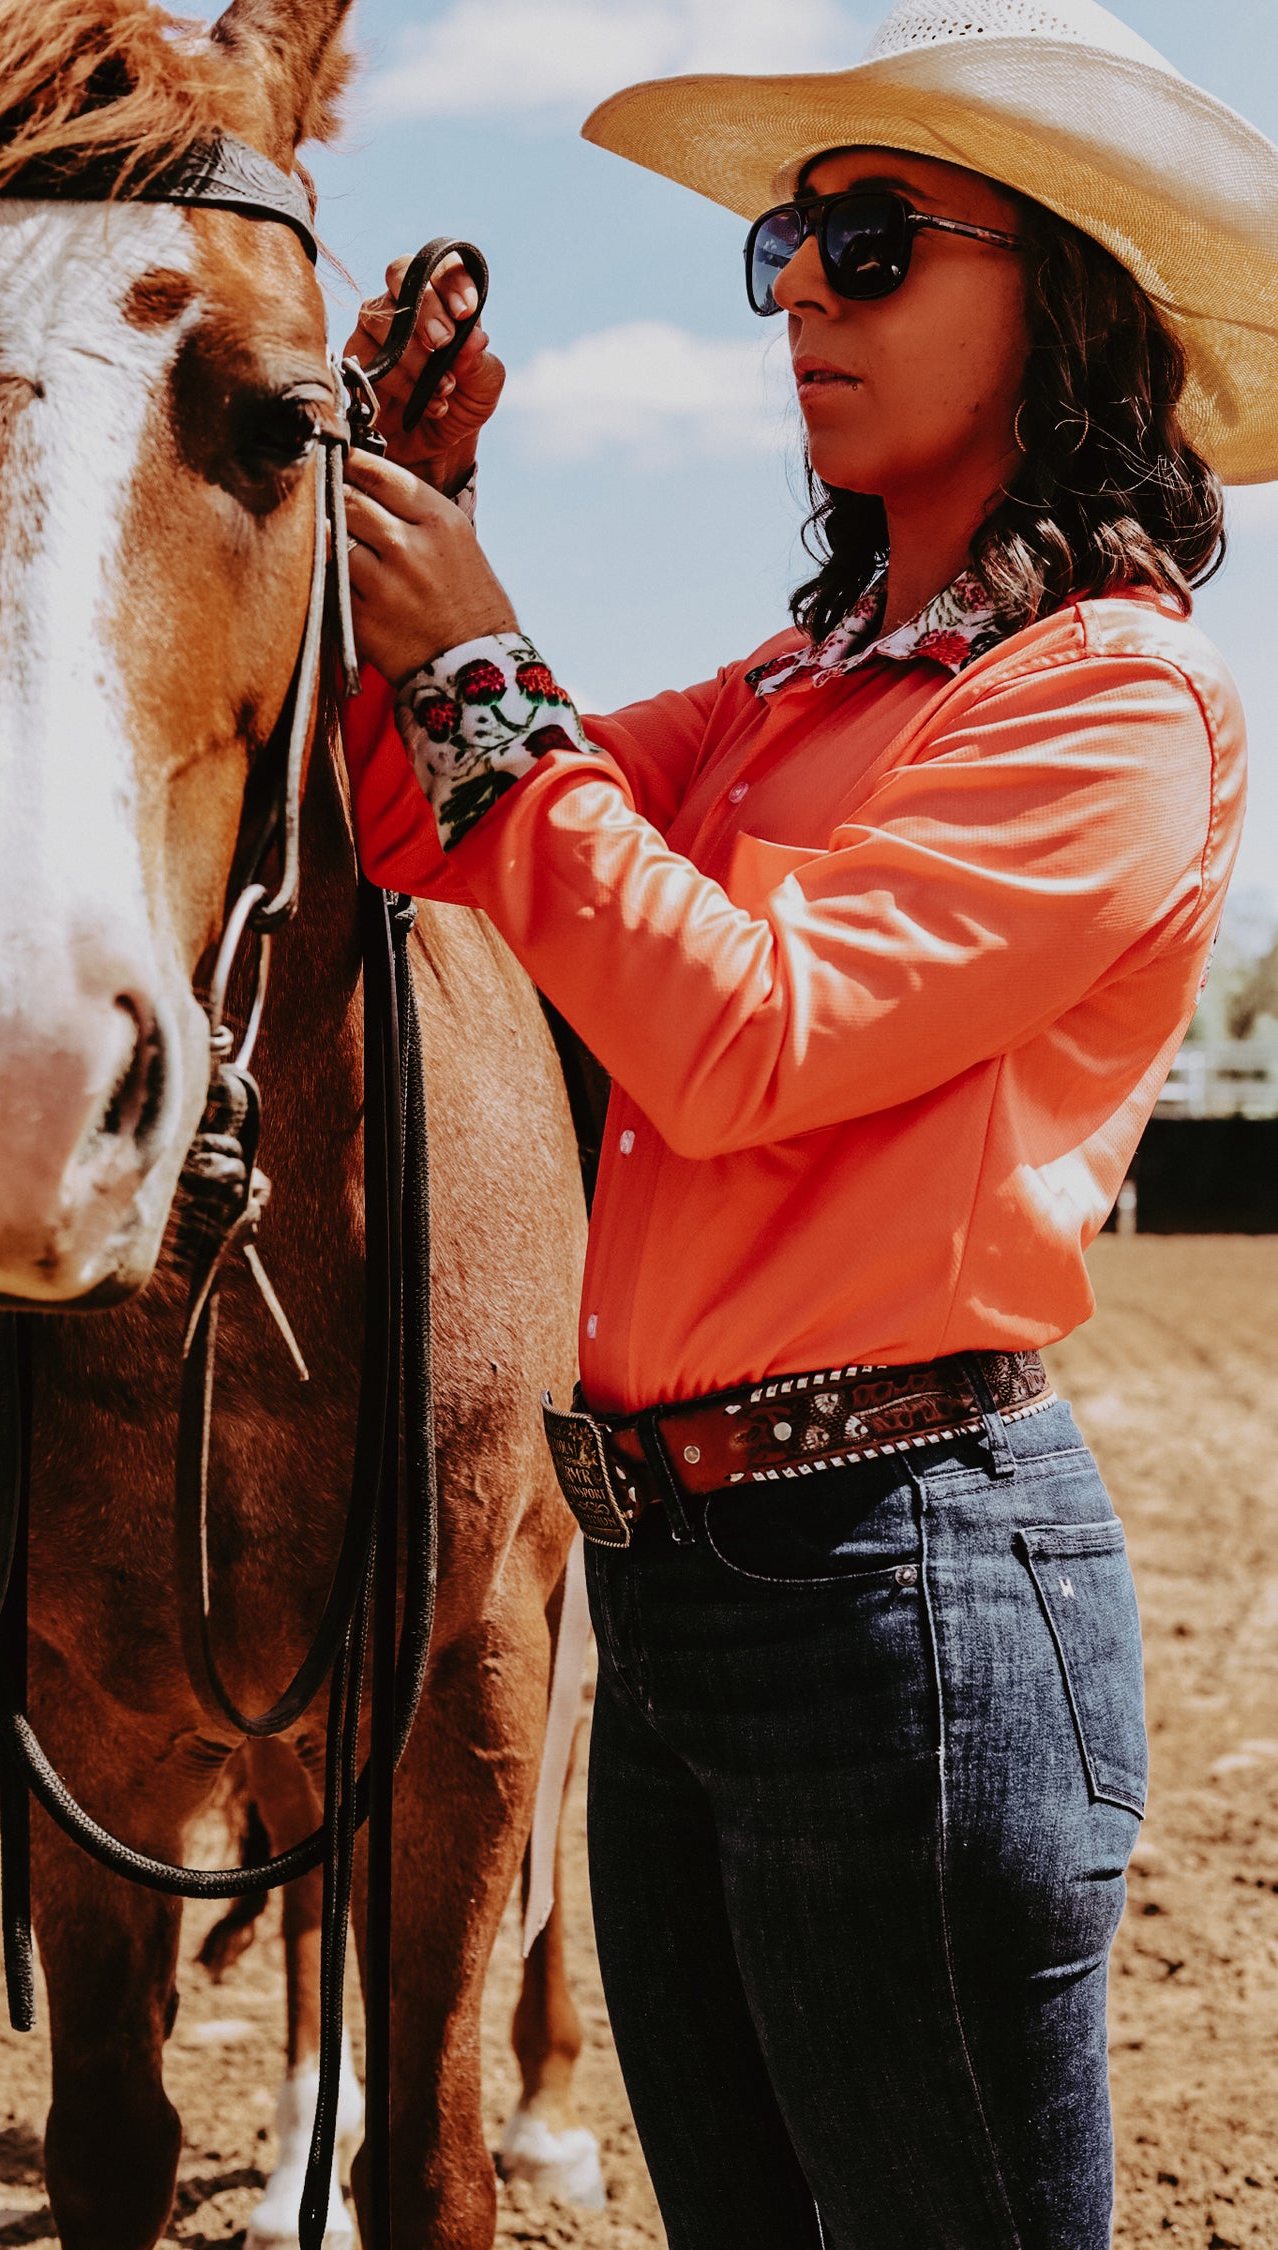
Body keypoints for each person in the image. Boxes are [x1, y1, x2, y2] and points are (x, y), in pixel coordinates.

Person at [335, 2, 1278, 2242]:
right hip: (686, 1594)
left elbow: (741, 1035)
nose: (804, 301)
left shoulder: (1115, 703)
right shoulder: (782, 697)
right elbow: (413, 828)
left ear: (1064, 299)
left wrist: (482, 669)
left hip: (909, 1594)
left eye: (872, 243)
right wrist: (423, 521)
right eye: (791, 251)